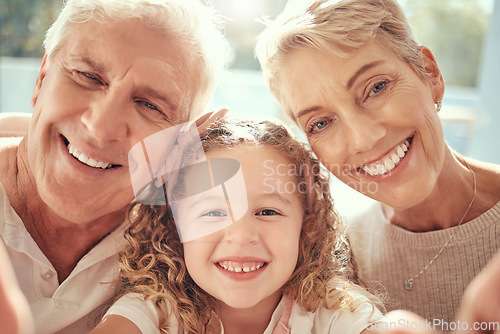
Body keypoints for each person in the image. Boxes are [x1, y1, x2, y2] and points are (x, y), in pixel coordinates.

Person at [255, 0, 500, 323]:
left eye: (376, 88)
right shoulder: (336, 263)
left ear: (430, 74)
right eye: (321, 123)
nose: (363, 138)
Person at [0, 0, 228, 332]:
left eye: (150, 105)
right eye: (87, 76)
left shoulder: (178, 252)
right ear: (42, 79)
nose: (101, 127)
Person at [88, 118, 384, 333]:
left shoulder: (333, 312)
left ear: (305, 230)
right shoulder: (156, 312)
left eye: (268, 211)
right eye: (213, 213)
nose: (242, 236)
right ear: (177, 231)